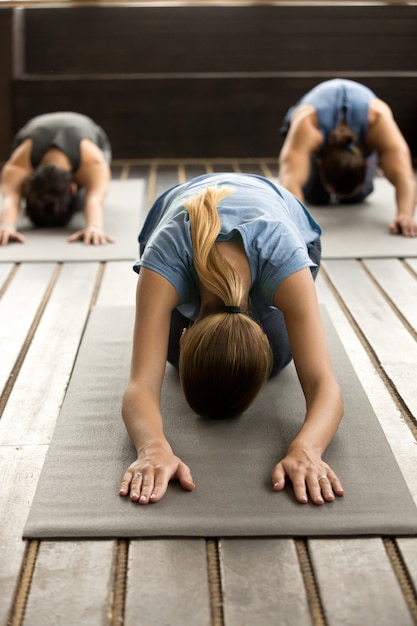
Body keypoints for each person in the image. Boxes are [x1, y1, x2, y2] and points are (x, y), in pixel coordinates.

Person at [119, 172, 344, 507]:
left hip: (281, 219)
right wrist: (151, 447)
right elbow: (140, 385)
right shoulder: (163, 260)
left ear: (185, 336)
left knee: (273, 357)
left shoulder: (284, 259)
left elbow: (324, 384)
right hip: (176, 213)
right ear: (185, 337)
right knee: (244, 360)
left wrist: (307, 450)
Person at [278, 78, 417, 237]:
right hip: (311, 133)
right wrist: (297, 223)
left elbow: (404, 175)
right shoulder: (309, 127)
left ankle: (354, 192)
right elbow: (290, 179)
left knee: (357, 196)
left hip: (363, 135)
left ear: (366, 164)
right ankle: (321, 188)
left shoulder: (378, 124)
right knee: (315, 196)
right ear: (320, 163)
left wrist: (405, 215)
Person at [0, 111, 114, 246]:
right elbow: (10, 198)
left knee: (78, 205)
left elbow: (94, 199)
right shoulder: (19, 163)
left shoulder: (93, 162)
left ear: (74, 187)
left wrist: (95, 226)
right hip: (34, 133)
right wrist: (6, 226)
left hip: (91, 135)